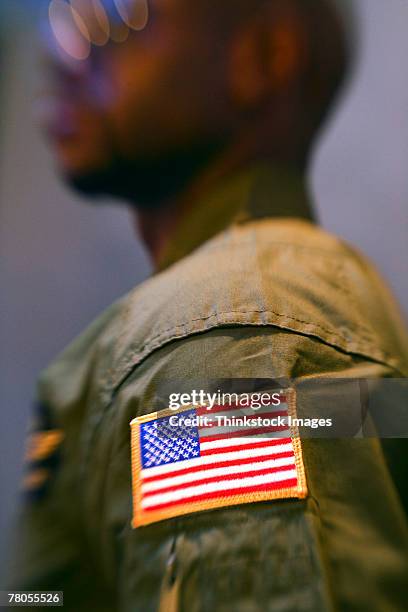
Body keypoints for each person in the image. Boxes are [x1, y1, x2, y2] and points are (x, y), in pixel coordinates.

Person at [9, 1, 408, 610]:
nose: (61, 54)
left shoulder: (224, 330)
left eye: (115, 13)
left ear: (261, 59)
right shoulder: (230, 312)